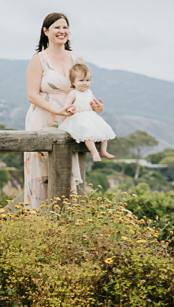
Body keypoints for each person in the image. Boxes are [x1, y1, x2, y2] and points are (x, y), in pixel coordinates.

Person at [24, 12, 105, 209]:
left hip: (71, 122)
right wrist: (56, 110)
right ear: (46, 31)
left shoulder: (77, 58)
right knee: (42, 175)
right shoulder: (39, 59)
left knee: (67, 171)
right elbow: (32, 95)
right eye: (57, 28)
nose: (62, 31)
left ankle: (64, 223)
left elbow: (83, 88)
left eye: (65, 27)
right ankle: (38, 221)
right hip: (43, 120)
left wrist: (96, 107)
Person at [58, 63, 116, 163]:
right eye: (81, 80)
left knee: (103, 130)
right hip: (79, 117)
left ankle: (103, 151)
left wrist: (97, 106)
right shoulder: (73, 93)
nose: (84, 83)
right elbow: (66, 105)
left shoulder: (89, 92)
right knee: (87, 133)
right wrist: (70, 108)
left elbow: (95, 107)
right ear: (73, 82)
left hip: (91, 116)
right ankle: (94, 153)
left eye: (87, 80)